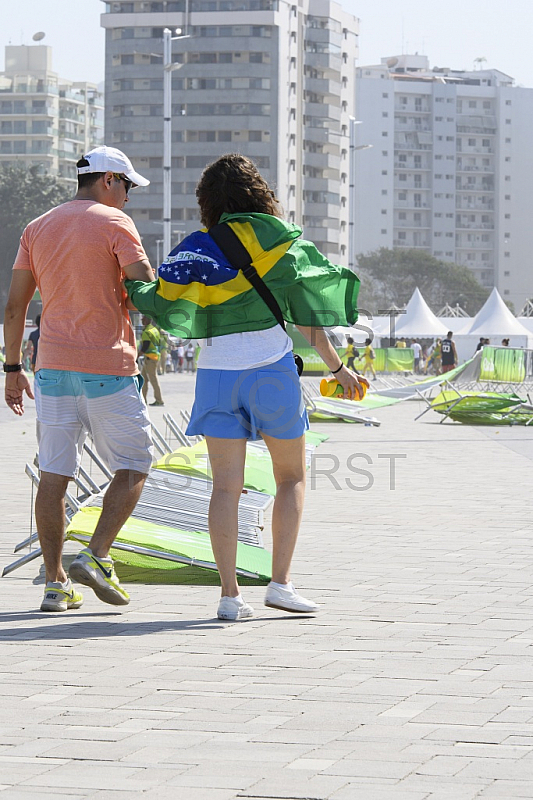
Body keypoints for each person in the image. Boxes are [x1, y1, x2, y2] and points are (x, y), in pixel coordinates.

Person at [126, 154, 368, 621]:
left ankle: (230, 596)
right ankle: (280, 585)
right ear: (258, 192)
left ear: (208, 201)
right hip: (271, 370)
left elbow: (157, 297)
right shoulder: (280, 240)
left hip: (216, 374)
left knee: (225, 488)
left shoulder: (197, 247)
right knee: (291, 478)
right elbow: (307, 315)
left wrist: (130, 282)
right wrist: (338, 370)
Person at [3, 145, 154, 612]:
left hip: (50, 369)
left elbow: (15, 307)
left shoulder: (37, 227)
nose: (129, 197)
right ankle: (98, 555)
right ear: (108, 180)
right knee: (134, 465)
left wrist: (12, 369)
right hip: (107, 367)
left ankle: (54, 583)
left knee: (54, 476)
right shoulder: (115, 223)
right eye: (127, 186)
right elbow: (143, 285)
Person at [139, 315, 164, 406]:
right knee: (143, 379)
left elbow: (145, 346)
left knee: (153, 379)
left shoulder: (147, 331)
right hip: (153, 357)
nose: (142, 320)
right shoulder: (154, 330)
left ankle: (159, 400)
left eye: (143, 319)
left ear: (147, 320)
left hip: (150, 359)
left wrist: (137, 355)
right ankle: (143, 400)